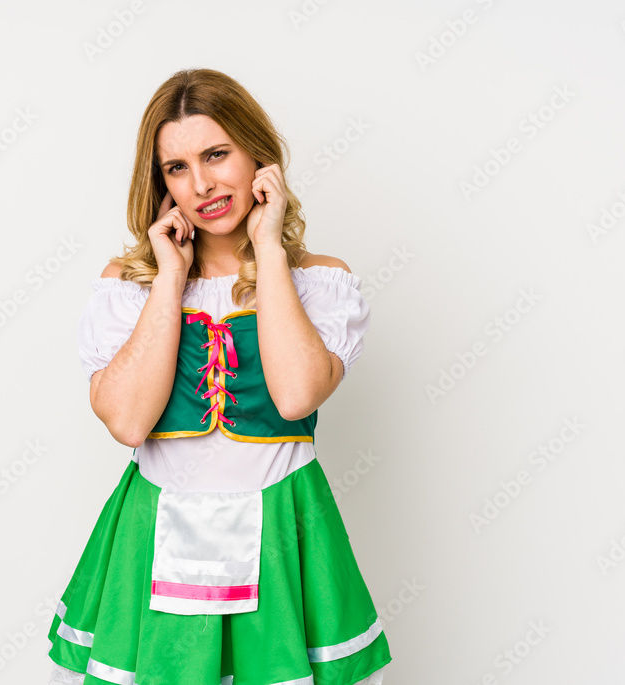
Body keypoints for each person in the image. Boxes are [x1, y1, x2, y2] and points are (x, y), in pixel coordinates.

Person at [46, 68, 391, 685]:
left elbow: (295, 396)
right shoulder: (133, 289)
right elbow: (126, 422)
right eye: (177, 168)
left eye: (216, 154)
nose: (201, 184)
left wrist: (271, 250)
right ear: (160, 183)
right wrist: (171, 277)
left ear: (258, 155)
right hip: (153, 535)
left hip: (287, 534)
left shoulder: (318, 281)